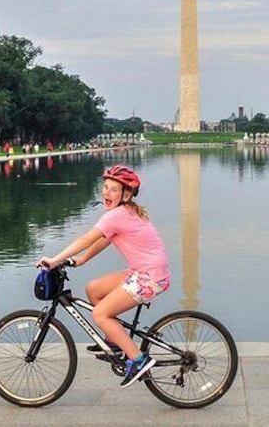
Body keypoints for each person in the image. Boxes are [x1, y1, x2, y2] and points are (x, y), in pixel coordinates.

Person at [36, 165, 170, 388]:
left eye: (113, 190)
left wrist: (55, 259)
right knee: (94, 289)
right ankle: (115, 341)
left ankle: (138, 359)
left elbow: (87, 239)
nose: (106, 193)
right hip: (144, 271)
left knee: (100, 314)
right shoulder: (125, 212)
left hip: (150, 277)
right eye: (105, 188)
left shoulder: (117, 215)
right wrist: (81, 260)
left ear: (126, 195)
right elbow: (104, 240)